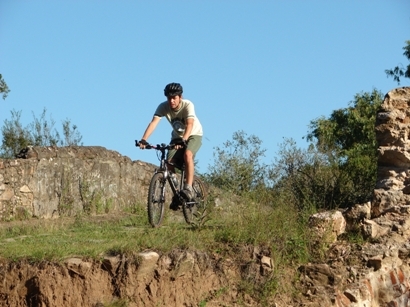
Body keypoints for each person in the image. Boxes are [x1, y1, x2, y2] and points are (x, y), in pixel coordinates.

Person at [138, 82, 203, 201]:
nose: (171, 101)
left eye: (174, 98)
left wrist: (184, 140)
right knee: (168, 163)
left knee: (187, 155)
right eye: (169, 98)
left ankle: (188, 188)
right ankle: (178, 194)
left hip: (193, 134)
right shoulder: (163, 107)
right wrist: (144, 139)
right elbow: (153, 122)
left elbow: (190, 124)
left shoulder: (188, 105)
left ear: (180, 97)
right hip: (177, 137)